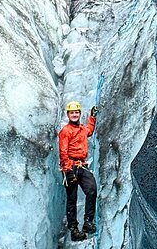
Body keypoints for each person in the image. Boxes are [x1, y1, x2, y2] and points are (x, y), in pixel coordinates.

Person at [58, 100, 98, 241]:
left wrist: (92, 117)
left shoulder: (82, 129)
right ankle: (74, 230)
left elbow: (90, 131)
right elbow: (63, 151)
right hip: (71, 166)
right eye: (72, 112)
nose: (74, 115)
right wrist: (67, 170)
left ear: (79, 113)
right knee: (72, 199)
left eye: (76, 112)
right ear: (68, 114)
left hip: (82, 166)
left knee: (92, 189)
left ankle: (88, 221)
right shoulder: (65, 131)